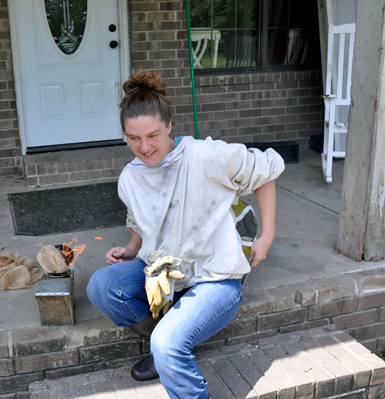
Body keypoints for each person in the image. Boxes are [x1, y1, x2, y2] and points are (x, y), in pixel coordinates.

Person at [86, 70, 284, 399]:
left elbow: (265, 171)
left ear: (169, 126)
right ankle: (164, 347)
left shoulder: (206, 156)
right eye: (134, 138)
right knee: (102, 287)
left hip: (215, 279)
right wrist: (131, 249)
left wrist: (267, 235)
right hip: (163, 275)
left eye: (153, 136)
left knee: (169, 345)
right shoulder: (130, 178)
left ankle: (167, 349)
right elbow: (140, 219)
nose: (144, 147)